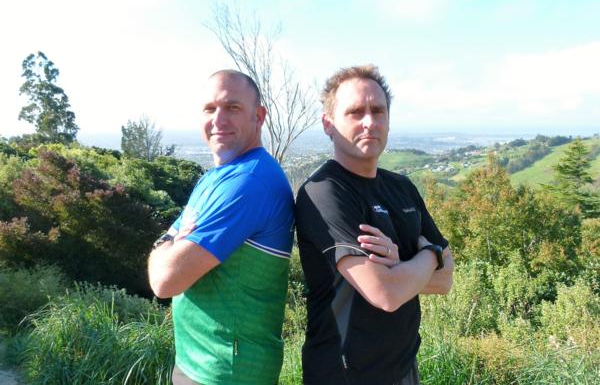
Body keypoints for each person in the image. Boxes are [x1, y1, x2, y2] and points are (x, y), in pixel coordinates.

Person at [295, 65, 454, 385]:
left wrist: (401, 268)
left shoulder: (402, 187)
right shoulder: (324, 191)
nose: (369, 122)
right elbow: (386, 293)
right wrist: (427, 256)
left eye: (378, 111)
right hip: (343, 376)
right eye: (355, 112)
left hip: (405, 371)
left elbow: (446, 280)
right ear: (329, 124)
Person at [148, 69, 294, 385]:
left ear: (259, 116)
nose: (219, 119)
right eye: (210, 109)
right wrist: (169, 244)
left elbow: (164, 280)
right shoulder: (216, 177)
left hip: (227, 372)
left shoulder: (247, 183)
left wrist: (168, 246)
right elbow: (170, 241)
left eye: (233, 108)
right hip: (200, 362)